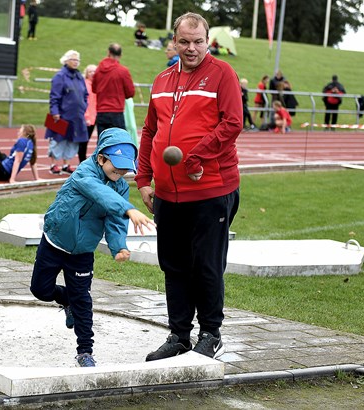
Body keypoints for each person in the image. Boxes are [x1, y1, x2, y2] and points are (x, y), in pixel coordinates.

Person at [136, 12, 241, 361]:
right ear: (175, 42)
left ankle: (210, 333)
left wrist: (196, 158)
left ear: (208, 41)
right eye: (184, 41)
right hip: (167, 195)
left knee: (206, 266)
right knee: (174, 266)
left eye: (198, 41)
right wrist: (143, 179)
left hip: (212, 190)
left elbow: (232, 123)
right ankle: (179, 335)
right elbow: (150, 131)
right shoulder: (162, 79)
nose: (192, 48)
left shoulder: (222, 73)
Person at [29, 127, 155, 367]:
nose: (119, 173)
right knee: (40, 290)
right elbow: (99, 193)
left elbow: (115, 221)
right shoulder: (84, 173)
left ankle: (85, 351)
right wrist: (128, 208)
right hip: (54, 242)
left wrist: (119, 246)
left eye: (125, 168)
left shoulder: (121, 187)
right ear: (100, 158)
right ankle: (66, 299)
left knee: (83, 301)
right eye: (114, 166)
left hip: (82, 252)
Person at [45, 50, 88, 175]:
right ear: (66, 60)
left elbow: (85, 95)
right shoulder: (60, 76)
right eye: (73, 59)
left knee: (73, 140)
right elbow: (54, 96)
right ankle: (53, 164)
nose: (76, 62)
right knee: (57, 140)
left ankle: (66, 164)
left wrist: (84, 106)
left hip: (77, 115)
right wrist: (55, 112)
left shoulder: (79, 76)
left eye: (77, 60)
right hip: (62, 115)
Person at [92, 43, 135, 138]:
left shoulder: (98, 70)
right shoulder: (123, 71)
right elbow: (130, 92)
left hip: (101, 111)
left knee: (103, 142)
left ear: (108, 52)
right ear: (120, 55)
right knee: (119, 142)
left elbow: (94, 89)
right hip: (116, 112)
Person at [78, 64, 97, 164]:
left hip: (95, 116)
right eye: (90, 71)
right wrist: (86, 116)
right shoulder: (84, 84)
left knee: (88, 139)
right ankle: (82, 162)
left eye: (94, 71)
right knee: (84, 141)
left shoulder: (97, 84)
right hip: (87, 116)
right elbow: (82, 101)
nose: (93, 73)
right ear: (86, 73)